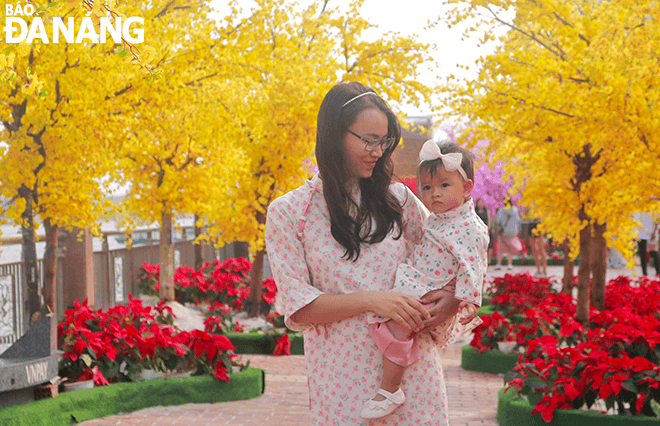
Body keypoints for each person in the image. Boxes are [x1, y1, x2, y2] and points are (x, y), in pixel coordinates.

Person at [265, 82, 461, 425]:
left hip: (413, 378)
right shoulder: (291, 212)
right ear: (334, 134)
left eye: (384, 142)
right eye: (368, 140)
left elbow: (452, 255)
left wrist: (452, 300)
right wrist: (374, 300)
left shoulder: (400, 200)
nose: (377, 151)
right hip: (342, 382)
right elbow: (300, 305)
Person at [360, 140, 489, 419]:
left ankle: (390, 388)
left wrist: (465, 300)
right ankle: (390, 384)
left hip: (431, 289)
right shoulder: (440, 218)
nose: (434, 195)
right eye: (427, 188)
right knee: (394, 322)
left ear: (467, 189)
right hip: (421, 281)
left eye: (444, 186)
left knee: (399, 323)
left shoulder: (469, 226)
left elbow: (474, 265)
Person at [493, 198, 522, 270]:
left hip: (503, 233)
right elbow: (518, 220)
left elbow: (497, 220)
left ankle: (499, 264)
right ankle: (509, 264)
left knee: (500, 249)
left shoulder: (501, 210)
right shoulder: (515, 210)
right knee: (510, 249)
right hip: (512, 233)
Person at [635, 212, 660, 277]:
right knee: (642, 254)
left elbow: (657, 220)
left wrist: (654, 232)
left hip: (651, 233)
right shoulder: (638, 207)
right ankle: (644, 273)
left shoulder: (652, 206)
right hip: (641, 234)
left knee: (654, 252)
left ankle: (658, 271)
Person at [475, 198, 493, 264]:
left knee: (489, 245)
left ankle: (489, 260)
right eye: (479, 203)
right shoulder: (474, 211)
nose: (480, 204)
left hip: (486, 230)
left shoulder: (487, 211)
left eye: (482, 203)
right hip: (477, 231)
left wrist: (487, 229)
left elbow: (490, 220)